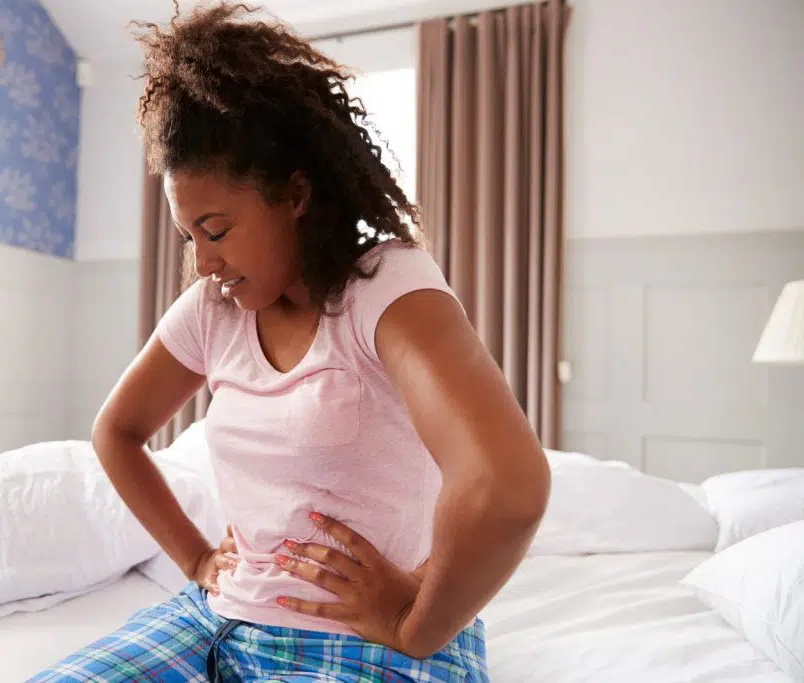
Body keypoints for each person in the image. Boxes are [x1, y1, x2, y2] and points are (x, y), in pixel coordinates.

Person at [29, 3, 550, 681]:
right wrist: (194, 561)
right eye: (189, 237)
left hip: (359, 643)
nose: (203, 261)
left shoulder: (386, 288)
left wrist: (415, 621)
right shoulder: (211, 311)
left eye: (216, 230)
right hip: (215, 621)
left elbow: (505, 483)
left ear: (295, 194)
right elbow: (117, 431)